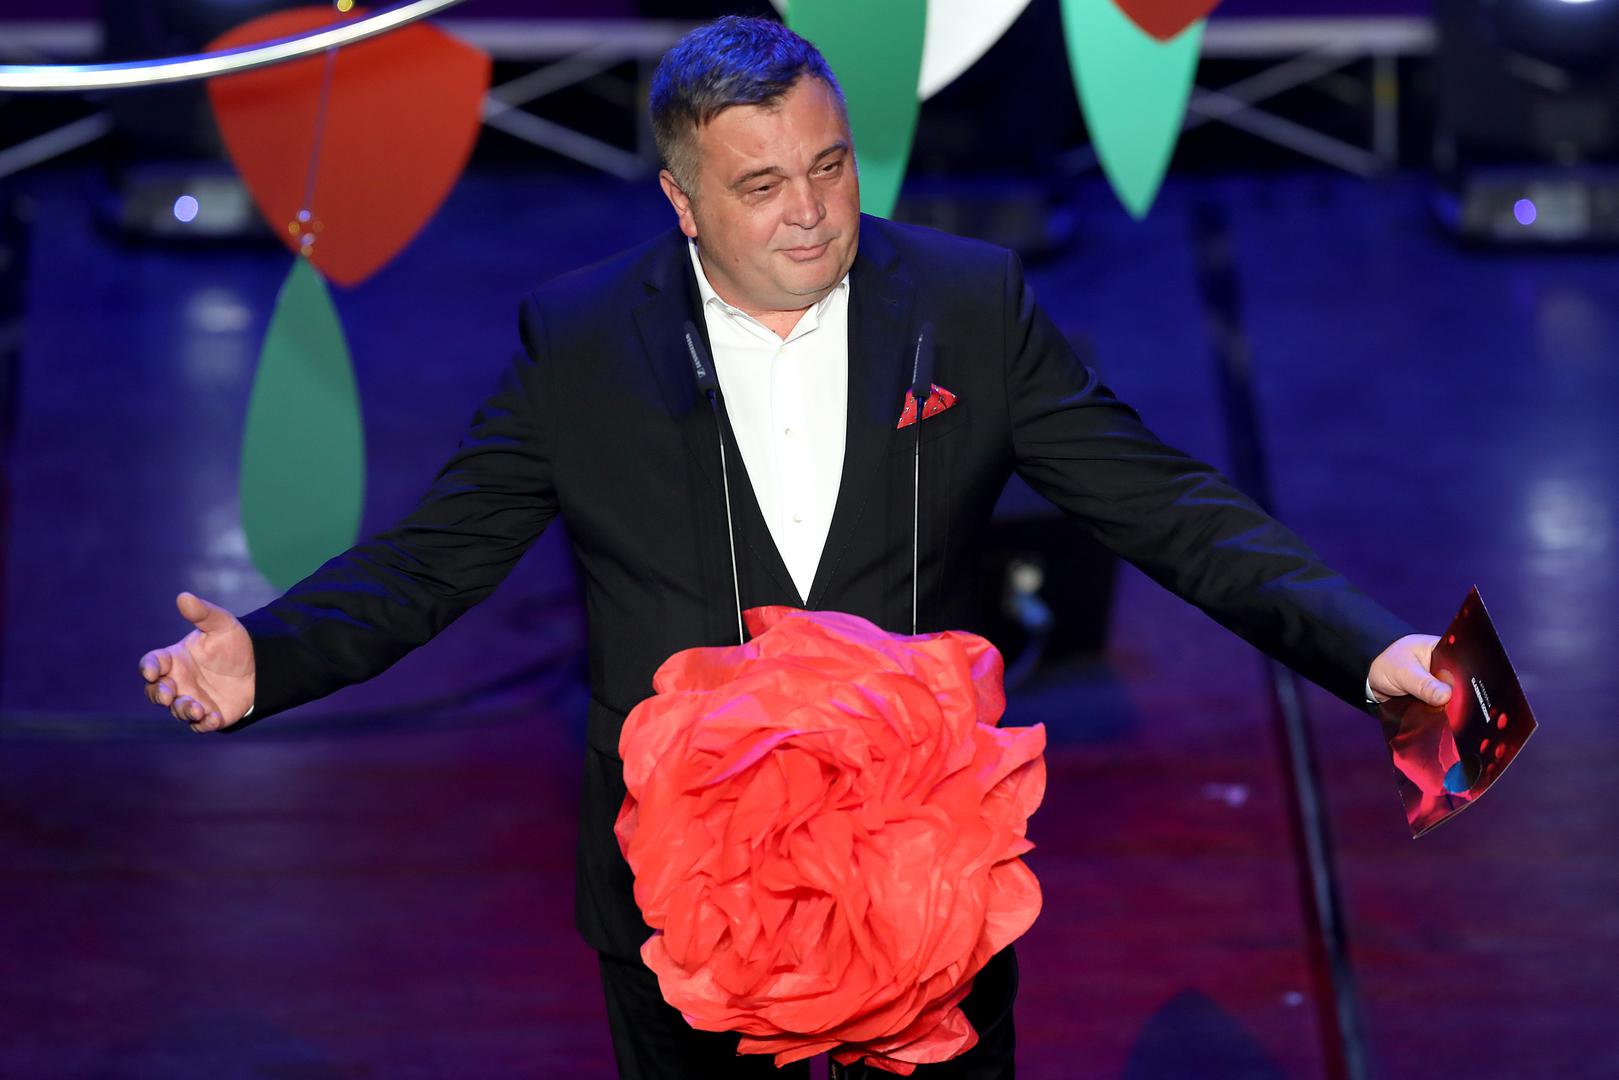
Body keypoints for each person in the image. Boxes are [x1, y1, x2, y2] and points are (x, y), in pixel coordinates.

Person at [138, 15, 1450, 1079]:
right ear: (682, 200)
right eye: (762, 186)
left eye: (830, 167)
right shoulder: (583, 344)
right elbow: (439, 556)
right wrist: (271, 656)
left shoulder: (967, 305)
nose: (812, 212)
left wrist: (1366, 647)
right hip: (684, 886)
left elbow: (1167, 506)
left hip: (924, 872)